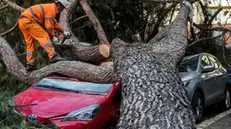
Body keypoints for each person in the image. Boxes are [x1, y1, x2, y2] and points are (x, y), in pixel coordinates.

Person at [18, 0, 70, 71]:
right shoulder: (51, 10)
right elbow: (49, 28)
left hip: (22, 22)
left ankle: (30, 64)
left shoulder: (50, 8)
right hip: (28, 21)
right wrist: (57, 35)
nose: (62, 10)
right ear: (59, 5)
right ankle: (53, 56)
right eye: (62, 8)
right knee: (44, 36)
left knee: (31, 44)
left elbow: (54, 23)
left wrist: (63, 31)